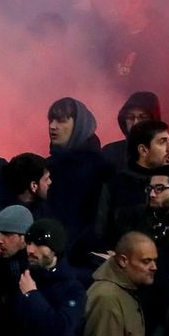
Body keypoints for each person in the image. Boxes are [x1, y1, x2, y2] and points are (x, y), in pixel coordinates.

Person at [46, 97, 108, 253]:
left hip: (83, 257)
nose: (53, 126)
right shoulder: (47, 167)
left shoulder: (101, 169)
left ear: (79, 125)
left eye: (61, 121)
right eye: (51, 120)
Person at [13, 218, 86, 336]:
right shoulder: (25, 277)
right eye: (29, 243)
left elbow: (61, 330)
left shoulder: (74, 288)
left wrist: (32, 295)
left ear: (55, 249)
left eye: (38, 244)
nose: (30, 250)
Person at [86, 231, 157, 336]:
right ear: (124, 261)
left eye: (155, 260)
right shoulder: (108, 299)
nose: (154, 267)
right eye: (146, 261)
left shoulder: (126, 291)